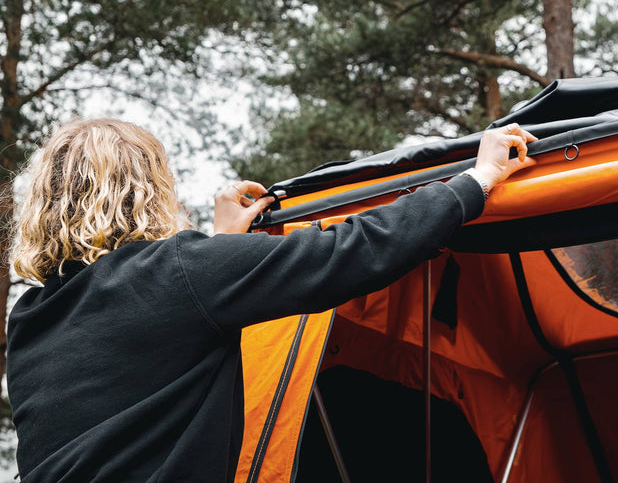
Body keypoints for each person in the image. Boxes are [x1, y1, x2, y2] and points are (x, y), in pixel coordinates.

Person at [6, 117, 536, 482]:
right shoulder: (180, 272)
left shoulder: (30, 319)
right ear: (146, 189)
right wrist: (476, 181)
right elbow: (353, 250)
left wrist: (225, 248)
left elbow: (147, 351)